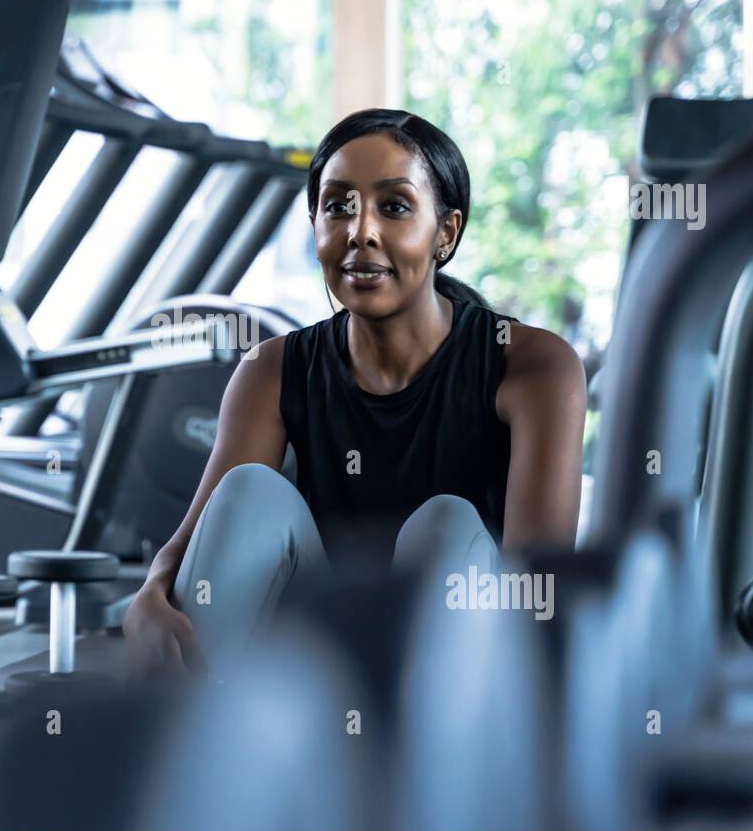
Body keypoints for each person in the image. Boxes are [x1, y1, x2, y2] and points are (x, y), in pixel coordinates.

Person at [122, 108, 586, 679]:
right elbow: (195, 538)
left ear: (446, 232)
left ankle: (423, 757)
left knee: (445, 522)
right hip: (313, 659)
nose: (359, 231)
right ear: (315, 222)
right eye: (338, 205)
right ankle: (206, 748)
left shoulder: (532, 365)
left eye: (394, 207)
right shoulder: (271, 369)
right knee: (250, 491)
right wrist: (149, 594)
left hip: (470, 676)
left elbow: (540, 589)